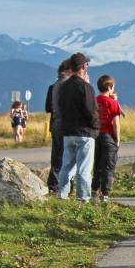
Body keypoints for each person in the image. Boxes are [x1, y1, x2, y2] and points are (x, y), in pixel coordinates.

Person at [56, 53, 99, 202]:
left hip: (68, 132)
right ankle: (83, 198)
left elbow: (60, 108)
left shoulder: (63, 87)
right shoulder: (85, 87)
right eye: (86, 65)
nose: (87, 67)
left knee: (66, 167)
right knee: (84, 169)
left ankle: (62, 195)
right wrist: (96, 126)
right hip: (85, 133)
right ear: (82, 67)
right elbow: (91, 110)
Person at [92, 75, 124, 202]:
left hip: (96, 135)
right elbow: (116, 123)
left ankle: (94, 190)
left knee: (98, 164)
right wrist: (117, 139)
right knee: (108, 166)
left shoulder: (95, 101)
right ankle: (105, 193)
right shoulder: (113, 103)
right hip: (108, 135)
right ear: (110, 87)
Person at [45, 60, 73, 193]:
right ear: (68, 70)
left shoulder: (52, 87)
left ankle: (53, 185)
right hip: (67, 126)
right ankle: (65, 186)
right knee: (68, 156)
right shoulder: (70, 86)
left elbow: (47, 108)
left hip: (55, 125)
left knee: (56, 156)